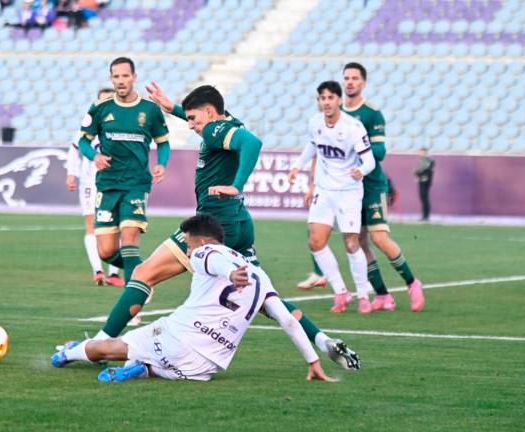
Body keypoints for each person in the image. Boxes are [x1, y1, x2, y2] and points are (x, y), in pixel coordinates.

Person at [67, 83, 360, 371]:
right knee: (265, 297)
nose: (191, 126)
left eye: (193, 119)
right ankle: (323, 340)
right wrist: (174, 109)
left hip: (212, 225)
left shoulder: (212, 129)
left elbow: (252, 143)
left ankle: (99, 344)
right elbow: (222, 125)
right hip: (239, 222)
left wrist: (236, 185)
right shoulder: (228, 121)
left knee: (144, 274)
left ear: (209, 112)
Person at [51, 214, 337, 383]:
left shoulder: (204, 252)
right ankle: (141, 369)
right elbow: (287, 320)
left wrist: (230, 274)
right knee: (156, 364)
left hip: (176, 338)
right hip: (205, 368)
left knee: (104, 348)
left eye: (187, 244)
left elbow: (214, 262)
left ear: (200, 241)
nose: (187, 250)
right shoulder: (260, 275)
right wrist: (312, 360)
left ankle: (67, 354)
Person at [75, 57, 170, 288]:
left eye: (125, 76)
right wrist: (95, 156)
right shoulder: (100, 108)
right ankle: (141, 272)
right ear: (111, 78)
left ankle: (135, 294)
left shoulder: (149, 109)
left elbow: (163, 142)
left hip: (136, 184)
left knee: (129, 240)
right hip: (107, 185)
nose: (120, 80)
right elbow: (83, 141)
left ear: (134, 77)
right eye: (116, 76)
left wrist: (162, 163)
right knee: (106, 251)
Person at [340, 62, 424, 312]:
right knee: (357, 242)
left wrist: (355, 147)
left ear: (363, 83)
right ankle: (382, 295)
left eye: (355, 78)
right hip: (348, 188)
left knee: (379, 237)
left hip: (372, 185)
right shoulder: (337, 113)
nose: (350, 82)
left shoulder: (372, 113)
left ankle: (412, 283)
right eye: (347, 78)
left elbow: (380, 151)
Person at [287, 81, 376, 314]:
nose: (326, 102)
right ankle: (341, 292)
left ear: (339, 100)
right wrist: (297, 166)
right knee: (316, 242)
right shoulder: (315, 123)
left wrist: (361, 171)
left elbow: (370, 161)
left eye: (330, 98)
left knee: (351, 243)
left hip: (348, 191)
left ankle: (363, 295)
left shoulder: (353, 127)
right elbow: (312, 146)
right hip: (324, 190)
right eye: (322, 98)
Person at [66, 87, 124, 287]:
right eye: (102, 101)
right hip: (90, 182)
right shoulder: (89, 126)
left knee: (119, 226)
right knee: (91, 225)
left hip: (116, 182)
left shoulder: (124, 126)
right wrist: (72, 173)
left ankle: (114, 274)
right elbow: (75, 148)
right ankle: (98, 271)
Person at [415, 147, 434, 222]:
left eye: (420, 151)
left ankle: (426, 216)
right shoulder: (424, 159)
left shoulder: (428, 159)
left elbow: (421, 169)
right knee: (423, 198)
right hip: (422, 179)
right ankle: (424, 215)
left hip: (425, 180)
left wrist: (417, 173)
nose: (419, 153)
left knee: (424, 197)